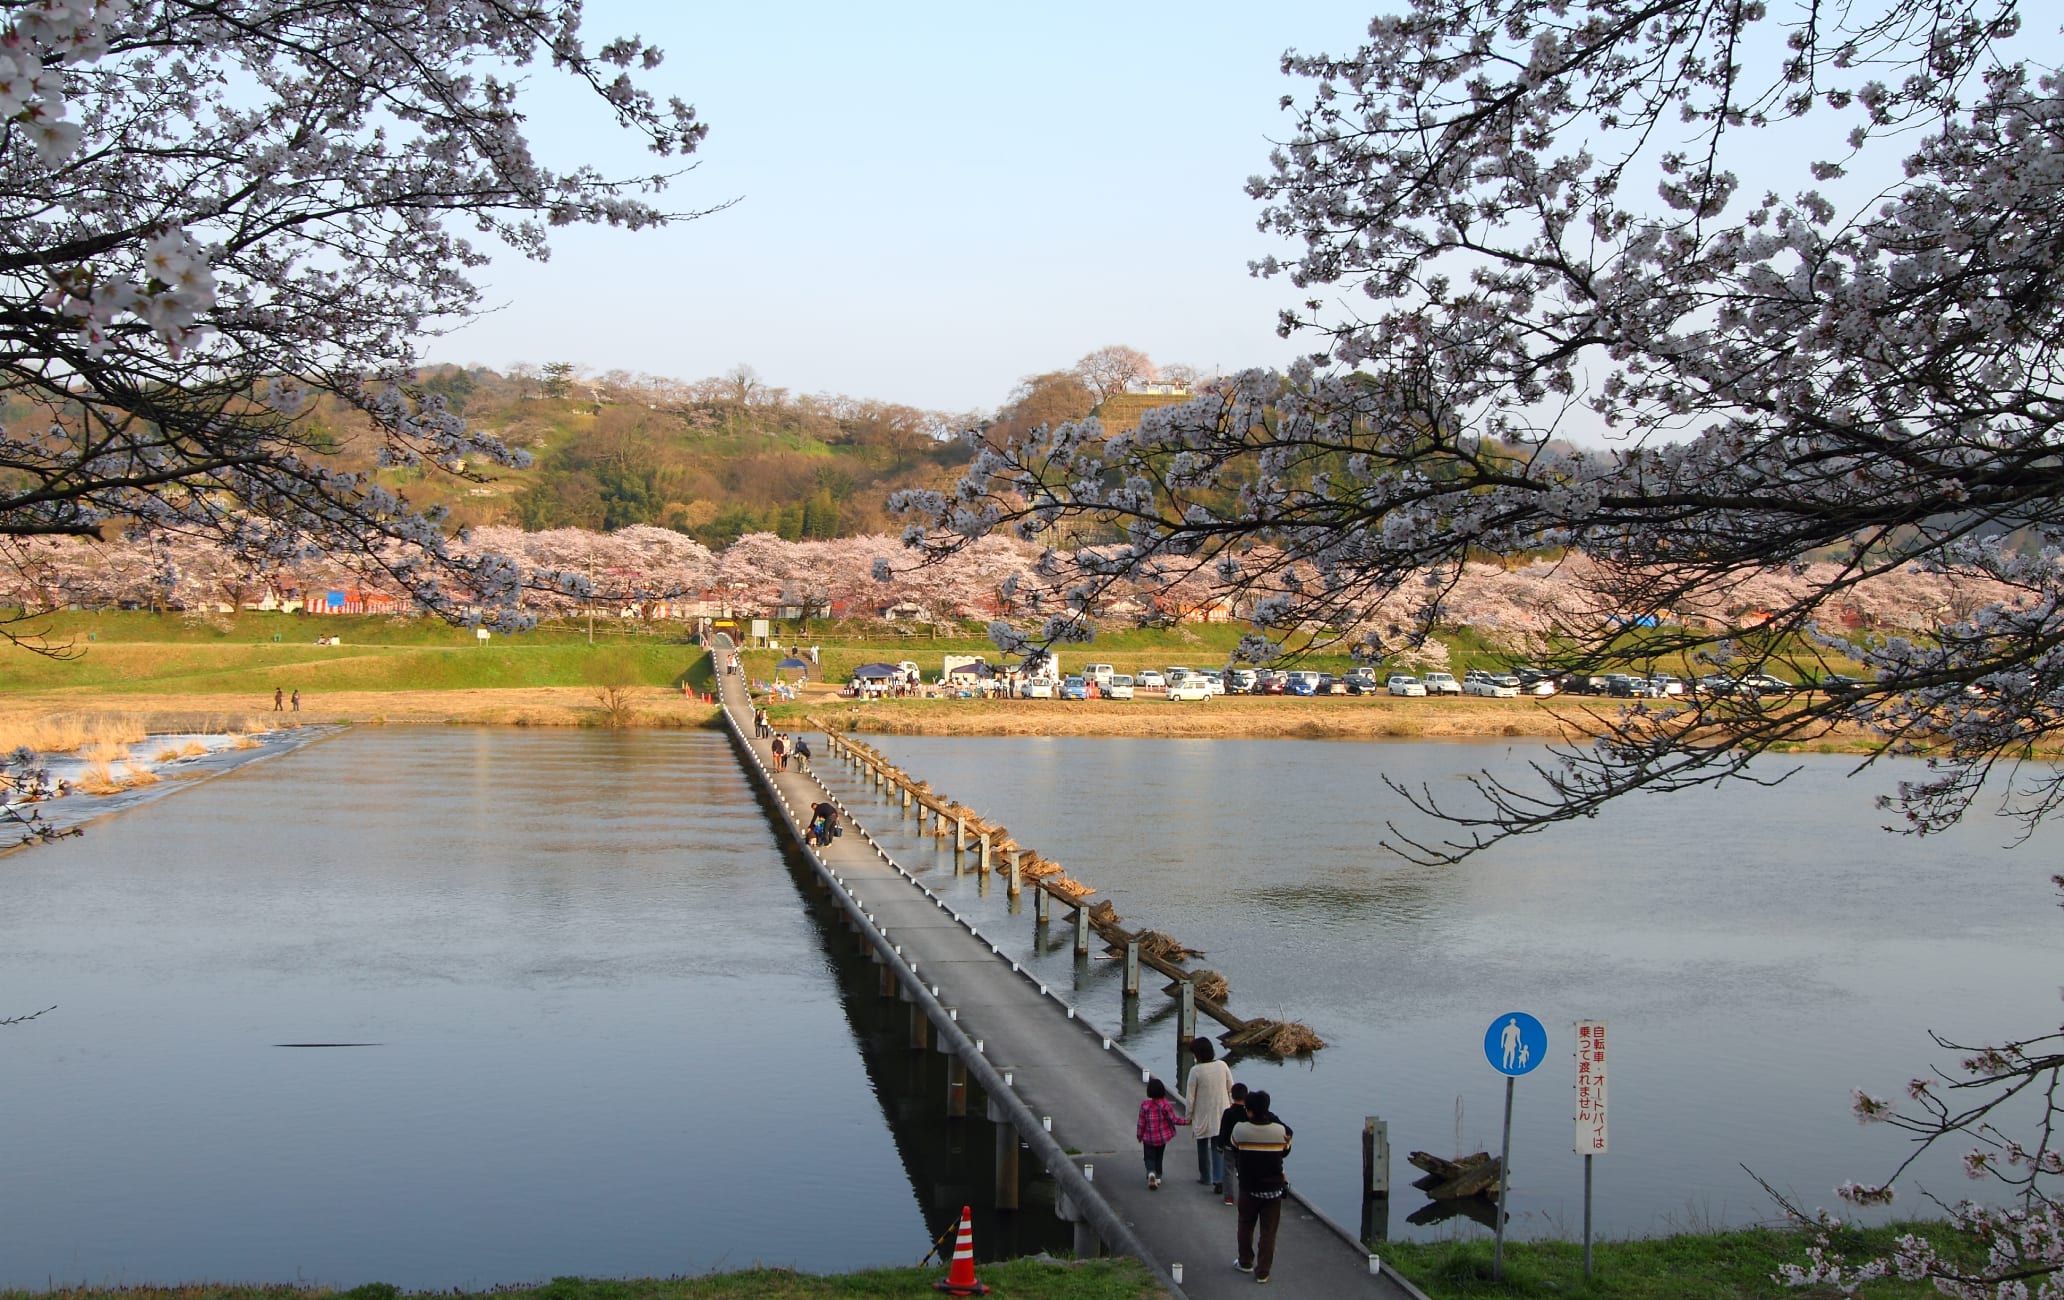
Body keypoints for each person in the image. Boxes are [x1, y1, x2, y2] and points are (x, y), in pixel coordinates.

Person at [1231, 1089, 1293, 1284]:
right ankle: (1263, 1271)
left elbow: (1234, 1148)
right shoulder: (1279, 1131)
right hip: (1273, 1189)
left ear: (1249, 1111)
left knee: (1245, 1225)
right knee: (1269, 1232)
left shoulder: (1240, 1130)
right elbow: (1285, 1152)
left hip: (1248, 1187)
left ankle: (1245, 1262)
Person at [1185, 1036, 1235, 1193]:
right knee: (1217, 1145)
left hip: (1202, 1113)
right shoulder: (1222, 1065)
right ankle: (1218, 1178)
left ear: (1198, 1054)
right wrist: (1232, 1106)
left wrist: (1188, 1116)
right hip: (1222, 1111)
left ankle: (1205, 1177)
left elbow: (1190, 1097)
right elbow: (1230, 1088)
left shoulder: (1196, 1070)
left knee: (1202, 1145)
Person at [1136, 1077, 1180, 1190]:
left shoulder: (1145, 1105)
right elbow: (1173, 1119)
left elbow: (1141, 1123)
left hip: (1148, 1138)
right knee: (1159, 1156)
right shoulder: (1166, 1106)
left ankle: (1151, 1173)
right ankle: (1158, 1176)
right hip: (1161, 1138)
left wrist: (1139, 1135)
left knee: (1149, 1157)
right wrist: (1187, 1121)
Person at [1216, 1082, 1250, 1207]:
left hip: (1229, 1146)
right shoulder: (1248, 1114)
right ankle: (1244, 1197)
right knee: (1243, 1172)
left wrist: (1220, 1145)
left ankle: (1229, 1197)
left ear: (1232, 1095)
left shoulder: (1228, 1112)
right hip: (1244, 1147)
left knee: (1228, 1171)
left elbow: (1223, 1130)